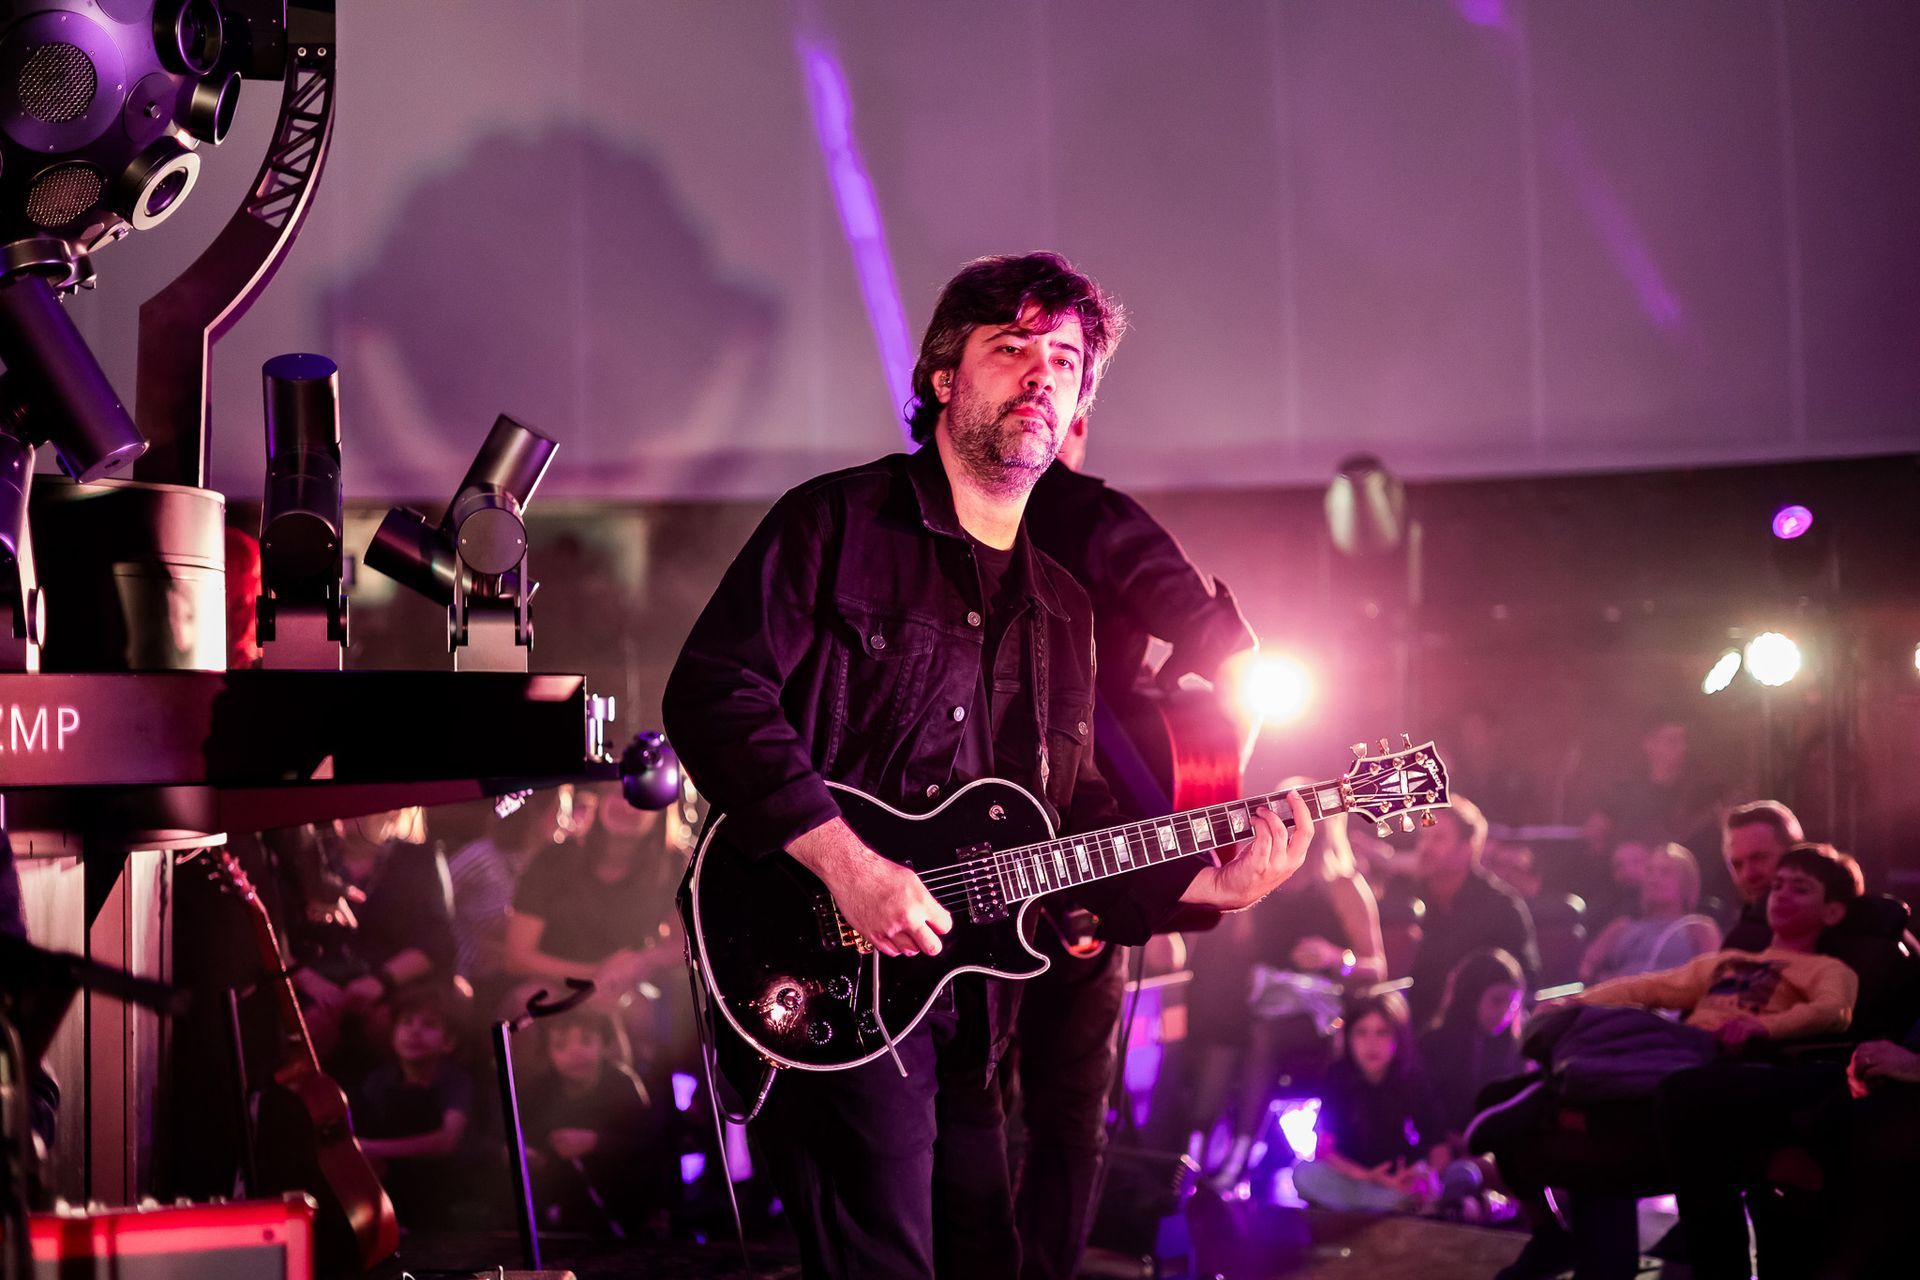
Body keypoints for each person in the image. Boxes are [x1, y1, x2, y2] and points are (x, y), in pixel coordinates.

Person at [661, 251, 1313, 1280]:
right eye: (1012, 349)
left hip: (969, 1004)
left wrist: (1207, 886)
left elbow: (1076, 819)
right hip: (822, 959)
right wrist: (853, 868)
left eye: (1065, 358)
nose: (1043, 375)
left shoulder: (1064, 604)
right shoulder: (834, 524)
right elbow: (713, 691)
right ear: (942, 379)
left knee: (989, 1257)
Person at [1005, 396, 1260, 1280]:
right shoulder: (1098, 518)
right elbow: (1232, 655)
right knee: (1067, 1103)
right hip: (1090, 855)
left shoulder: (929, 518)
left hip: (957, 853)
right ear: (1074, 427)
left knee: (972, 1095)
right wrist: (1215, 781)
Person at [1291, 992, 1446, 1213]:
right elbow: (1325, 1151)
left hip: (1403, 1179)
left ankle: (1395, 1202)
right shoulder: (1337, 1078)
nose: (1371, 1044)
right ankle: (1392, 1204)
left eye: (1382, 1033)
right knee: (1304, 1174)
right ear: (1349, 1038)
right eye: (1361, 1033)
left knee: (1463, 1173)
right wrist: (1368, 1177)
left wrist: (1425, 1172)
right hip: (1356, 1178)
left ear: (1398, 1039)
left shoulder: (1413, 1079)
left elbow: (1437, 1144)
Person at [350, 982, 476, 1228]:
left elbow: (447, 1141)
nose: (414, 1032)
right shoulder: (379, 1081)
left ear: (448, 1041)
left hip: (443, 1189)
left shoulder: (456, 1081)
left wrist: (372, 1149)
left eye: (429, 1025)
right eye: (406, 1022)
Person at [1405, 796, 1539, 1026]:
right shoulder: (1412, 899)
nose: (1426, 847)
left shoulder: (1502, 907)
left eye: (1438, 838)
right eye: (1423, 837)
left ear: (1468, 848)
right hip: (1418, 1033)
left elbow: (1525, 982)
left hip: (1477, 1035)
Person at [524, 1005, 656, 1236]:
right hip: (563, 1206)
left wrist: (597, 1143)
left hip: (621, 1203)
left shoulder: (623, 1084)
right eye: (561, 1045)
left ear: (603, 1043)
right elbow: (531, 1138)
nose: (575, 1052)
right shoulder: (539, 1090)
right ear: (548, 1053)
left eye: (586, 1041)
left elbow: (650, 1145)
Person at [1418, 947, 1525, 1144]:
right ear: (1470, 998)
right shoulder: (1433, 1044)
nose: (1505, 1013)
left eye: (1512, 1004)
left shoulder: (1513, 1047)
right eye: (1497, 1001)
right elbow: (1425, 1108)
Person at [1577, 843, 1719, 984]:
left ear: (1686, 881)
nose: (1654, 879)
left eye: (1665, 872)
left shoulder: (1699, 929)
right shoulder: (1621, 927)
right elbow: (1586, 965)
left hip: (1672, 1002)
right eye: (1650, 872)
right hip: (1616, 1001)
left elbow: (1713, 979)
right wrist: (1601, 981)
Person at [1719, 799, 1803, 951]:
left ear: (1795, 854)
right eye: (1737, 865)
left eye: (1759, 858)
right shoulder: (1740, 938)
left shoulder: (1834, 930)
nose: (1748, 874)